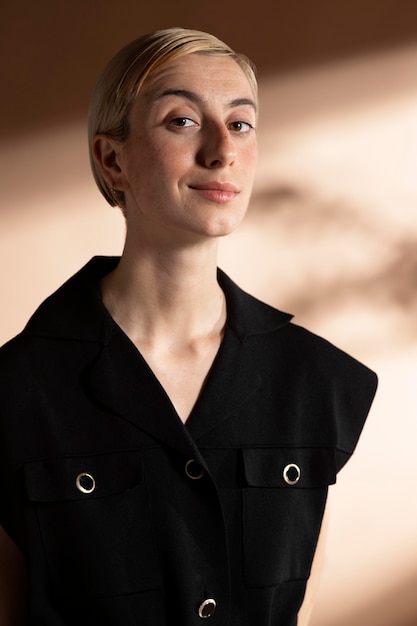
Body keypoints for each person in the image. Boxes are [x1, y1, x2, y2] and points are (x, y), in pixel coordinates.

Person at [0, 27, 377, 626]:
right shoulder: (16, 392)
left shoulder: (320, 382)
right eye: (182, 121)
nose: (222, 150)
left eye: (241, 123)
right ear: (112, 159)